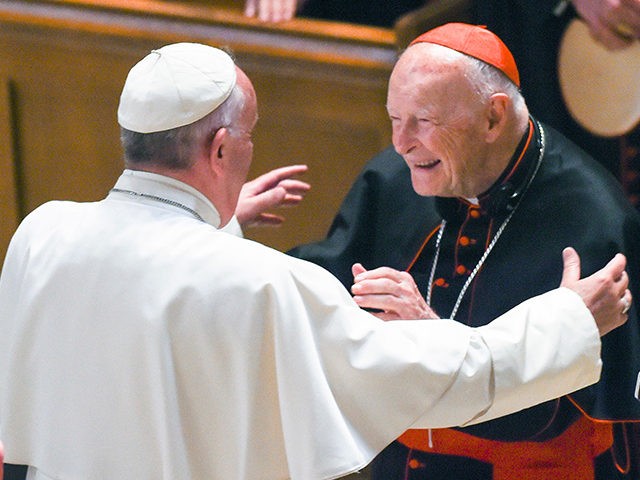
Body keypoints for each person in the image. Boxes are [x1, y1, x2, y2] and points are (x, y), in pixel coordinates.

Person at [0, 42, 631, 480]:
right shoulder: (260, 284)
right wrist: (568, 320)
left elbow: (148, 307)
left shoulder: (41, 233)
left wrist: (212, 219)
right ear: (221, 150)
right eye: (246, 138)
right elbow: (446, 376)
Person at [288, 23, 640, 480]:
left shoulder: (591, 217)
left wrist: (430, 338)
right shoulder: (392, 178)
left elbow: (580, 398)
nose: (401, 143)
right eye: (395, 119)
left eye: (424, 122)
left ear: (493, 118)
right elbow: (321, 292)